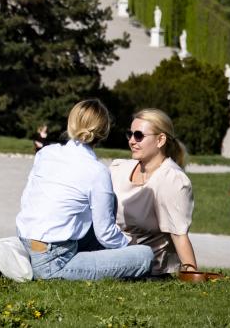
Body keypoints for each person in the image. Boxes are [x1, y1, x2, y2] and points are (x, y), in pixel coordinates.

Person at [15, 99, 153, 281]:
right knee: (145, 256)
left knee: (100, 210)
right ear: (103, 132)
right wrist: (128, 245)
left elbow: (28, 200)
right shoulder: (97, 171)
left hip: (25, 243)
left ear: (70, 123)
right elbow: (105, 234)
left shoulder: (46, 153)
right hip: (53, 263)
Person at [110, 108, 200, 276]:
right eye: (129, 134)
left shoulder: (172, 180)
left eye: (139, 135)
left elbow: (179, 234)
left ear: (160, 140)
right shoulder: (118, 169)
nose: (131, 141)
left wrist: (191, 271)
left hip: (145, 266)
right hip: (110, 252)